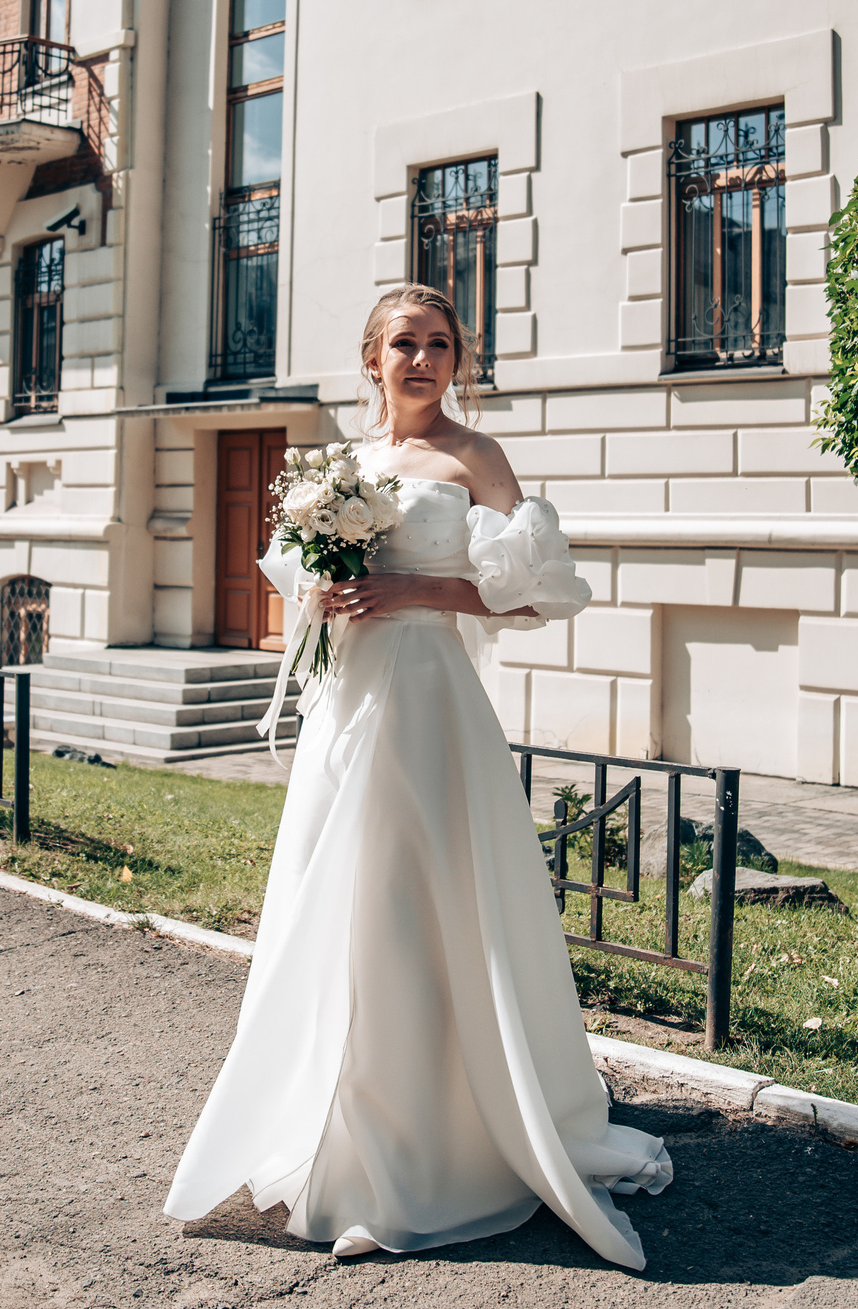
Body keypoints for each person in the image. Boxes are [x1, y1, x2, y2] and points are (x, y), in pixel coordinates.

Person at [164, 284, 672, 1267]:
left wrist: (411, 588)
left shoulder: (476, 457)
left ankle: (438, 1155)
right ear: (372, 357)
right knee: (345, 916)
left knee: (419, 911)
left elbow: (537, 595)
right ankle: (347, 1156)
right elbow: (299, 593)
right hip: (348, 708)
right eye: (405, 341)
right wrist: (322, 593)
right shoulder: (337, 465)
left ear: (457, 360)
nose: (423, 358)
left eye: (441, 343)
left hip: (432, 704)